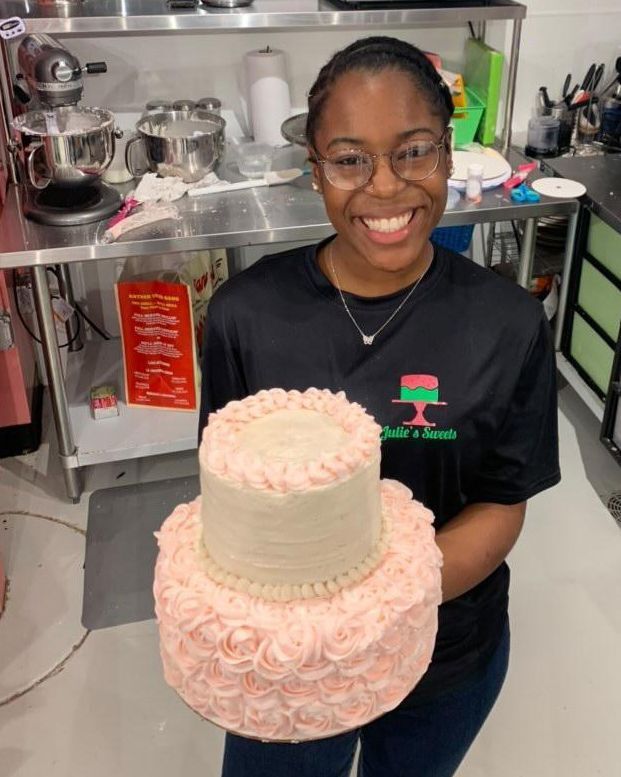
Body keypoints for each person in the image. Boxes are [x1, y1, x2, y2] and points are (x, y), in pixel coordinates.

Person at [199, 36, 560, 777]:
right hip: (291, 662)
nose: (385, 187)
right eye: (349, 158)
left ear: (449, 155)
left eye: (413, 150)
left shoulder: (506, 322)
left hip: (442, 652)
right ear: (316, 171)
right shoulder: (245, 315)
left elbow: (500, 500)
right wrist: (310, 626)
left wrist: (380, 602)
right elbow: (229, 494)